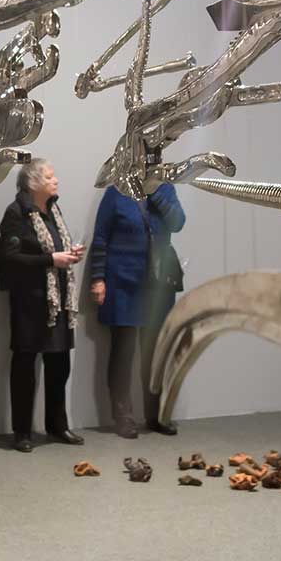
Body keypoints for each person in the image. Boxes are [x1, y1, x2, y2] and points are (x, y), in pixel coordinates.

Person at [0, 159, 87, 452]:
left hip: (58, 300)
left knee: (59, 365)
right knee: (25, 367)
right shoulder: (16, 213)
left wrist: (69, 254)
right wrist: (51, 259)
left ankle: (57, 425)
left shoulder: (54, 209)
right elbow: (9, 258)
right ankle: (22, 432)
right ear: (33, 183)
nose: (55, 180)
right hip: (30, 302)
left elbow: (56, 248)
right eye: (49, 177)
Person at [86, 180, 186, 437]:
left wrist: (156, 193)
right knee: (123, 354)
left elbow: (178, 222)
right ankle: (123, 417)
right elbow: (100, 237)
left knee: (155, 355)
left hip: (157, 286)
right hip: (122, 284)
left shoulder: (165, 189)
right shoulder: (116, 192)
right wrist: (97, 278)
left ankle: (157, 416)